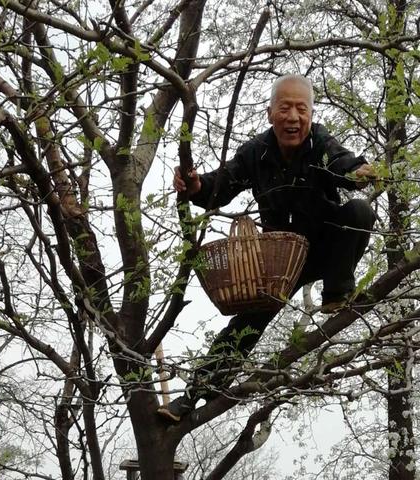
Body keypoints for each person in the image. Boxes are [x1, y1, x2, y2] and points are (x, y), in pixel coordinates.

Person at [158, 74, 377, 422]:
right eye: (285, 108)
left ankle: (337, 291)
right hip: (281, 264)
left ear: (310, 113)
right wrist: (197, 185)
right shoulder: (255, 153)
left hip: (326, 246)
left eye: (301, 109)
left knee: (359, 211)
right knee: (246, 325)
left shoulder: (319, 141)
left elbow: (340, 161)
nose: (293, 118)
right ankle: (193, 396)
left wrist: (358, 171)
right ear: (270, 113)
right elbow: (221, 184)